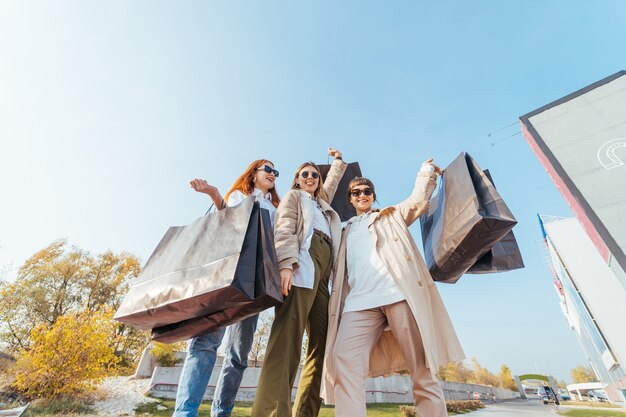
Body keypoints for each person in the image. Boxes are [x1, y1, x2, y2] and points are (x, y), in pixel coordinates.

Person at [320, 158, 465, 417]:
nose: (362, 195)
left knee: (421, 367)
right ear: (350, 199)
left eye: (367, 191)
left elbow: (417, 201)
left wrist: (426, 171)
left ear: (373, 196)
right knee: (343, 362)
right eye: (356, 192)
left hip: (397, 294)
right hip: (358, 304)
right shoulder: (344, 231)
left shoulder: (391, 215)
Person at [173, 159, 280, 417]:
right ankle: (185, 412)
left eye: (276, 172)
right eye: (268, 169)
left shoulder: (277, 209)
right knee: (205, 343)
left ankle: (222, 412)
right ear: (253, 173)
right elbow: (227, 221)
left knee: (238, 355)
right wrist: (214, 194)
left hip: (255, 284)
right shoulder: (237, 197)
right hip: (225, 276)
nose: (273, 174)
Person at [251, 148, 347, 417]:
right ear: (296, 179)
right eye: (304, 174)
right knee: (287, 339)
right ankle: (271, 412)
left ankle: (305, 412)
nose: (310, 177)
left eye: (315, 174)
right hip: (303, 261)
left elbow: (331, 183)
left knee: (323, 341)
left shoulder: (322, 203)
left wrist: (337, 162)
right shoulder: (294, 198)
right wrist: (286, 264)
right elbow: (284, 229)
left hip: (325, 270)